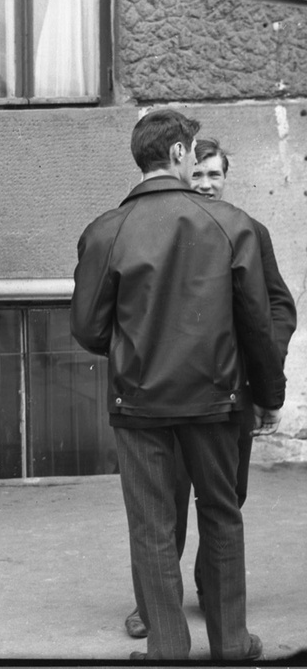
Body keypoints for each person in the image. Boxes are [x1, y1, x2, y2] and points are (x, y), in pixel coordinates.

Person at [71, 109, 285, 661]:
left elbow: (90, 329)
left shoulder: (105, 231)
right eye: (191, 153)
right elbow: (258, 325)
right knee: (222, 515)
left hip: (138, 404)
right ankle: (232, 646)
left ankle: (167, 650)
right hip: (217, 402)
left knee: (151, 527)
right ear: (176, 154)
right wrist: (268, 396)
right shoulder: (231, 224)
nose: (194, 162)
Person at [122, 138, 297, 639]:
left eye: (213, 175)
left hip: (229, 393)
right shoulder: (156, 228)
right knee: (166, 504)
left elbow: (276, 308)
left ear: (226, 177)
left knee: (225, 501)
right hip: (164, 393)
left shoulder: (248, 230)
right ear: (181, 172)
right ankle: (156, 606)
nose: (204, 184)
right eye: (196, 175)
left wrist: (264, 362)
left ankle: (211, 593)